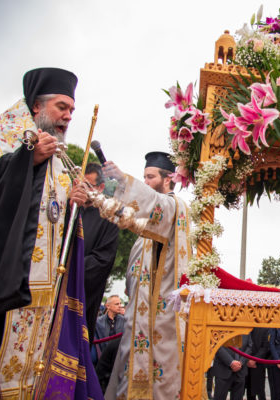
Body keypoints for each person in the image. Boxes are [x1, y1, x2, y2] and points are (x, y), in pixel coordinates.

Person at [0, 67, 101, 398]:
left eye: (72, 110)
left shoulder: (59, 160)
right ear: (36, 106)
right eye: (61, 107)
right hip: (0, 286)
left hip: (45, 296)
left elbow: (53, 221)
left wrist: (73, 203)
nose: (68, 116)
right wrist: (24, 160)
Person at [101, 151, 191, 399]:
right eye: (144, 177)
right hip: (138, 314)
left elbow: (153, 204)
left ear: (168, 179)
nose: (146, 182)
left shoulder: (175, 208)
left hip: (161, 319)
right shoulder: (148, 227)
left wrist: (123, 180)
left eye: (150, 177)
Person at [82, 162, 120, 343]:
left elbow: (103, 260)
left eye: (88, 186)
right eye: (79, 184)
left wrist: (72, 268)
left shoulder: (108, 218)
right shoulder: (69, 208)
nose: (82, 190)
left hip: (83, 293)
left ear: (101, 187)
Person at [212, 335, 252, 400]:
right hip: (223, 370)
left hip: (240, 371)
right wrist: (231, 362)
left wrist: (241, 362)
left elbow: (249, 346)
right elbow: (216, 344)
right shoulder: (220, 328)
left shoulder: (246, 329)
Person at [245, 327, 271, 400]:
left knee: (260, 390)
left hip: (258, 363)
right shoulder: (245, 327)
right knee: (248, 389)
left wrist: (254, 359)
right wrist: (247, 360)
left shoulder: (265, 328)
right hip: (244, 362)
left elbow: (265, 347)